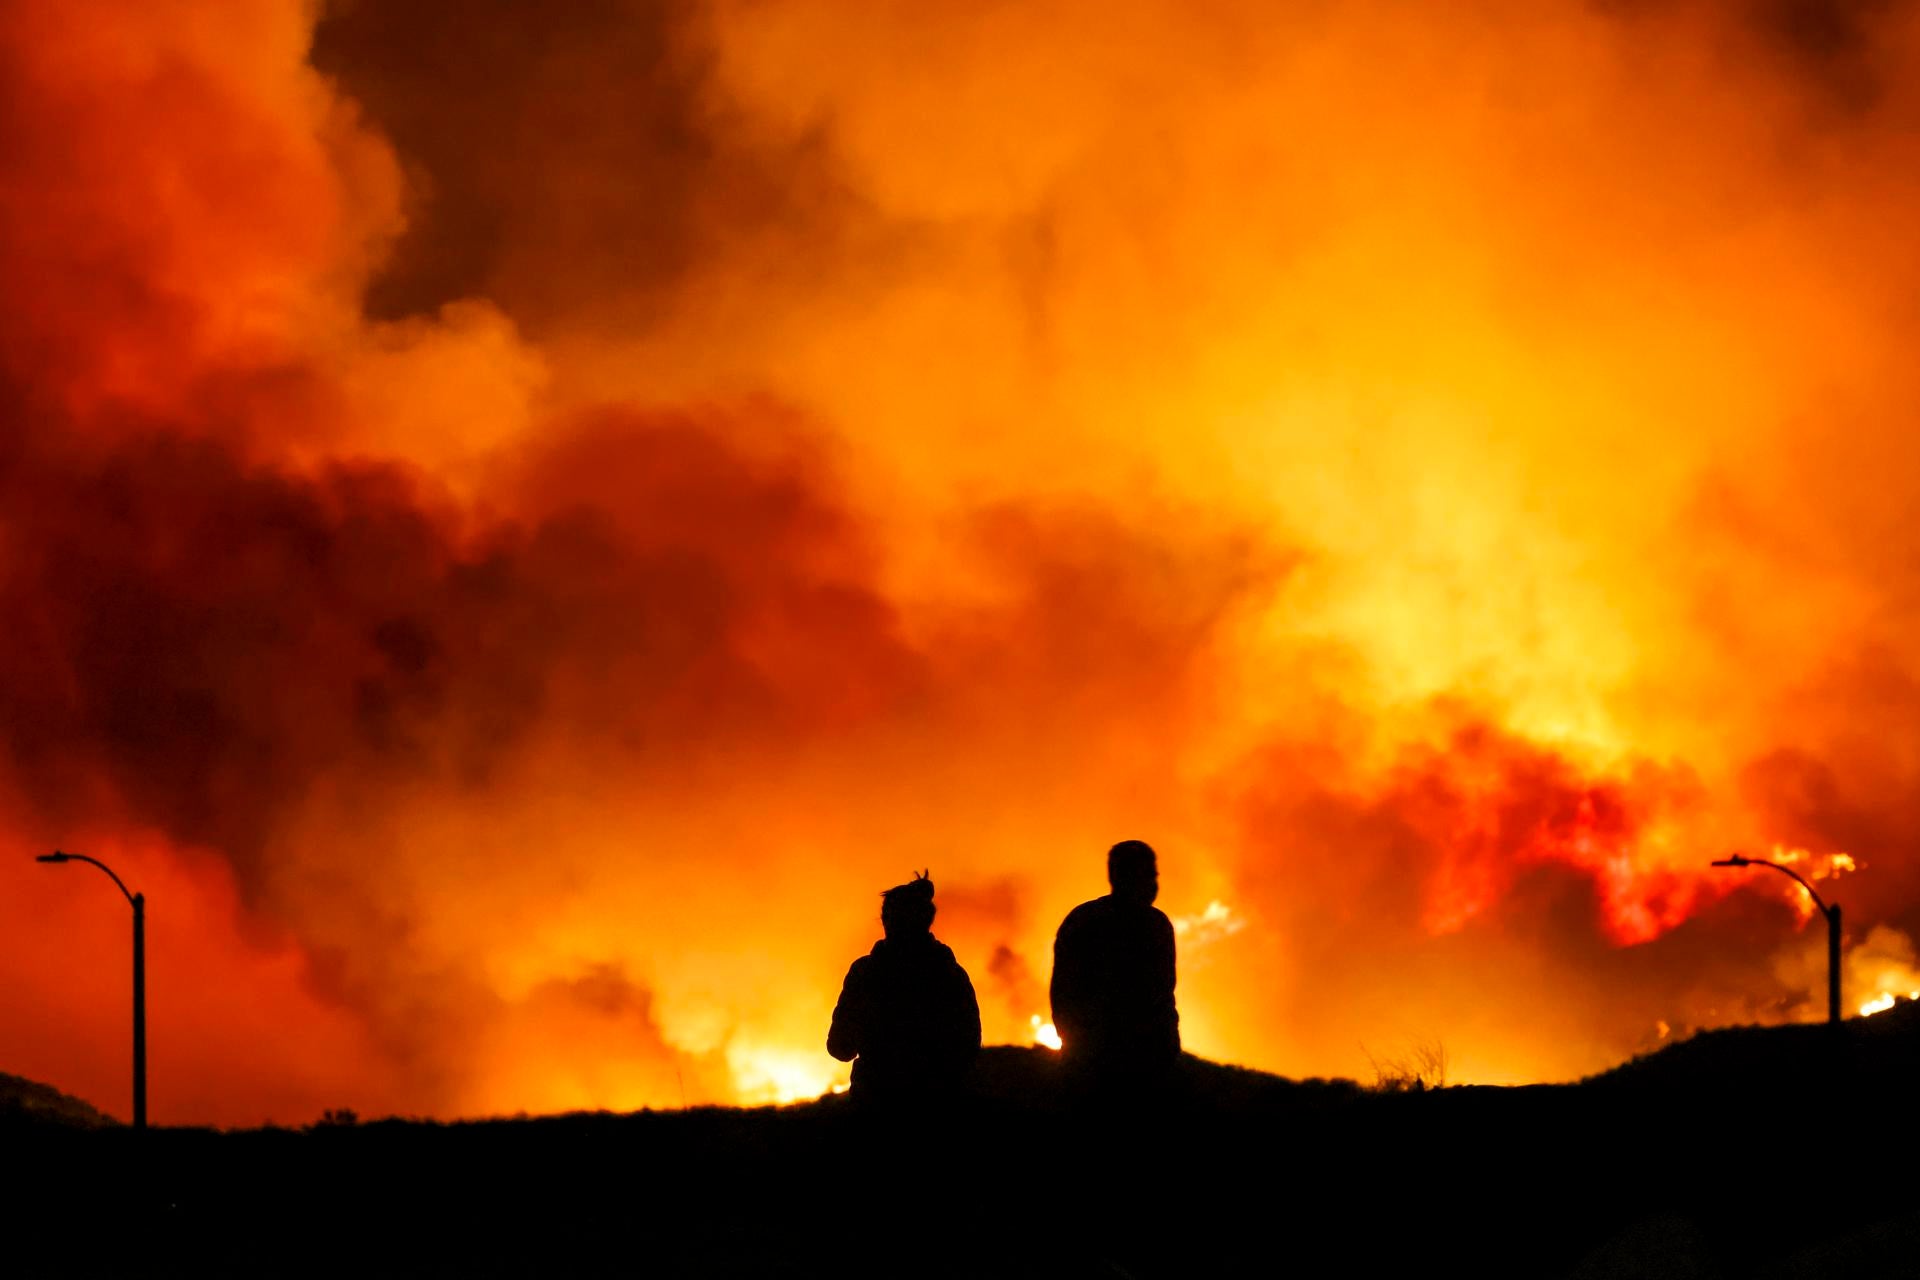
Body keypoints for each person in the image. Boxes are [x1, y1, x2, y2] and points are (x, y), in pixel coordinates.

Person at [828, 870, 981, 1101]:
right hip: (938, 1101)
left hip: (877, 1102)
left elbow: (840, 1047)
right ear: (927, 920)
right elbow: (969, 1046)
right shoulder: (950, 973)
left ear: (886, 921)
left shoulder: (865, 973)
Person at [1050, 839, 1180, 1089]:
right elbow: (1160, 995)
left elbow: (1061, 994)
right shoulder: (1154, 926)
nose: (1154, 884)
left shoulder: (1082, 920)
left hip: (1095, 1061)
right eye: (1149, 875)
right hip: (1131, 1064)